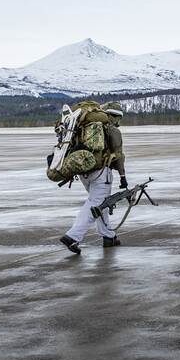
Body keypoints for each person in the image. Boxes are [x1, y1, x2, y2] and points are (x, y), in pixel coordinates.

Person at [59, 102, 127, 254]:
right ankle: (72, 236)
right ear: (114, 116)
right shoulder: (111, 130)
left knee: (101, 204)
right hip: (101, 172)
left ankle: (108, 236)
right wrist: (123, 176)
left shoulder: (85, 127)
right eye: (118, 117)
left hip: (85, 172)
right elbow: (119, 155)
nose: (118, 121)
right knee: (96, 205)